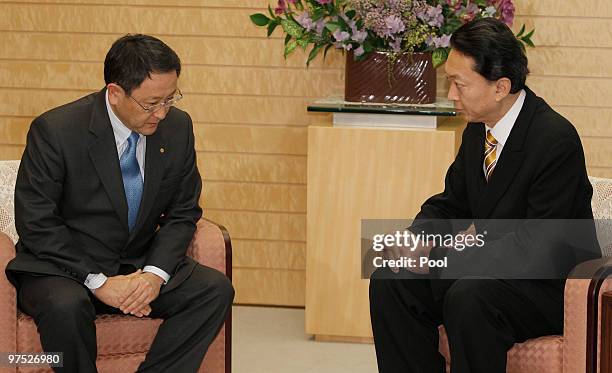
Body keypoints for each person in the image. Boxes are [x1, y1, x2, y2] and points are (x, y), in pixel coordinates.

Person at [369, 18, 599, 373]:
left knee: (469, 296)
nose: (451, 95)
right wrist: (417, 240)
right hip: (488, 270)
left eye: (459, 84)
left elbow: (537, 247)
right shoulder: (478, 131)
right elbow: (450, 204)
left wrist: (445, 256)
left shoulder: (555, 140)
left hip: (547, 286)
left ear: (500, 86)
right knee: (391, 275)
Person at [5, 34, 234, 373]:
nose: (162, 112)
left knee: (214, 290)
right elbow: (37, 222)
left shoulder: (177, 127)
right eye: (151, 103)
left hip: (135, 261)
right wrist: (98, 281)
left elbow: (183, 212)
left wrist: (154, 275)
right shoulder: (56, 130)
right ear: (115, 93)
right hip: (64, 267)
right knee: (65, 307)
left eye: (170, 98)